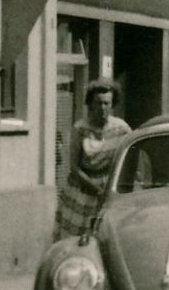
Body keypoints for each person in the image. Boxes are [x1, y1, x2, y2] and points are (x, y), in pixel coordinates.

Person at [54, 80, 132, 240]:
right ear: (90, 104)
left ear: (112, 105)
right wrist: (97, 189)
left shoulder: (122, 128)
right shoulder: (80, 129)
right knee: (78, 238)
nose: (102, 108)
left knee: (109, 236)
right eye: (98, 103)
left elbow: (131, 159)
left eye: (106, 103)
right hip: (83, 190)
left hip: (110, 190)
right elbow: (74, 168)